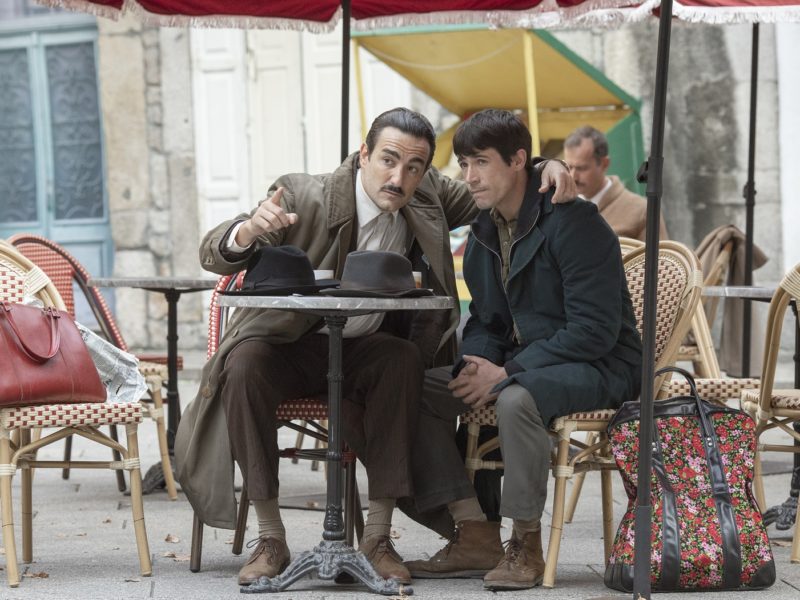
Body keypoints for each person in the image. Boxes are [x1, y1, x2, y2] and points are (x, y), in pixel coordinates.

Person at [174, 107, 575, 586]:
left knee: (401, 359)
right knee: (244, 365)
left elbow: (494, 181)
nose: (398, 177)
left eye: (413, 167)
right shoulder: (305, 194)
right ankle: (271, 537)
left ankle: (377, 537)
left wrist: (542, 166)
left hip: (363, 347)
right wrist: (249, 231)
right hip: (289, 343)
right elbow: (214, 250)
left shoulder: (428, 196)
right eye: (387, 159)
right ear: (363, 154)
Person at [404, 109, 642, 590]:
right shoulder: (482, 232)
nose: (469, 177)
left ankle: (525, 544)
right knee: (414, 388)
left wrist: (507, 371)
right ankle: (473, 529)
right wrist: (477, 362)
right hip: (531, 363)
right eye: (464, 164)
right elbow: (488, 321)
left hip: (603, 364)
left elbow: (594, 331)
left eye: (481, 163)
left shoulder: (577, 223)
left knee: (515, 398)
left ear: (518, 162)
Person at [563, 125, 668, 242]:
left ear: (604, 164)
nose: (573, 176)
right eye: (569, 167)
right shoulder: (562, 209)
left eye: (581, 168)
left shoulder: (642, 211)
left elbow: (660, 259)